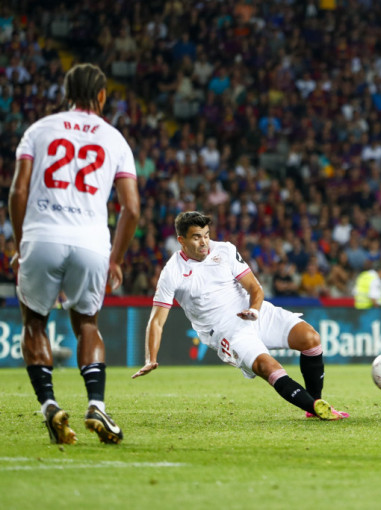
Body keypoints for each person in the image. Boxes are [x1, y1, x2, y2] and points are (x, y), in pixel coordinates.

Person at [10, 63, 140, 444]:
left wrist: (21, 243)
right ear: (101, 96)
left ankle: (50, 404)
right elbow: (131, 209)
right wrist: (116, 259)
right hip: (91, 242)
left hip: (42, 236)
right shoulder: (115, 139)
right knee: (87, 324)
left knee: (34, 323)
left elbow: (18, 191)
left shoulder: (39, 130)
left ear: (65, 93)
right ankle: (96, 403)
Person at [131, 212, 348, 421]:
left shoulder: (225, 250)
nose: (204, 242)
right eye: (196, 237)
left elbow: (255, 288)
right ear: (181, 240)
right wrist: (151, 358)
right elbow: (156, 321)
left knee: (311, 338)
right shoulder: (172, 272)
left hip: (254, 312)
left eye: (206, 235)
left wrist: (254, 310)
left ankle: (316, 403)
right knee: (268, 367)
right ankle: (318, 409)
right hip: (227, 331)